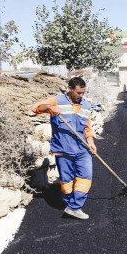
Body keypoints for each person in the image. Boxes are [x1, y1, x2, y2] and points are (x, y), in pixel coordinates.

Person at [31, 76, 97, 220]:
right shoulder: (57, 100)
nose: (81, 96)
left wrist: (91, 141)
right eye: (78, 93)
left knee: (86, 177)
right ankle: (69, 204)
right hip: (63, 149)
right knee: (66, 181)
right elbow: (36, 108)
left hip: (82, 148)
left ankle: (74, 207)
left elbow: (87, 126)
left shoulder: (85, 105)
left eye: (83, 93)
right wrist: (49, 107)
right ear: (70, 89)